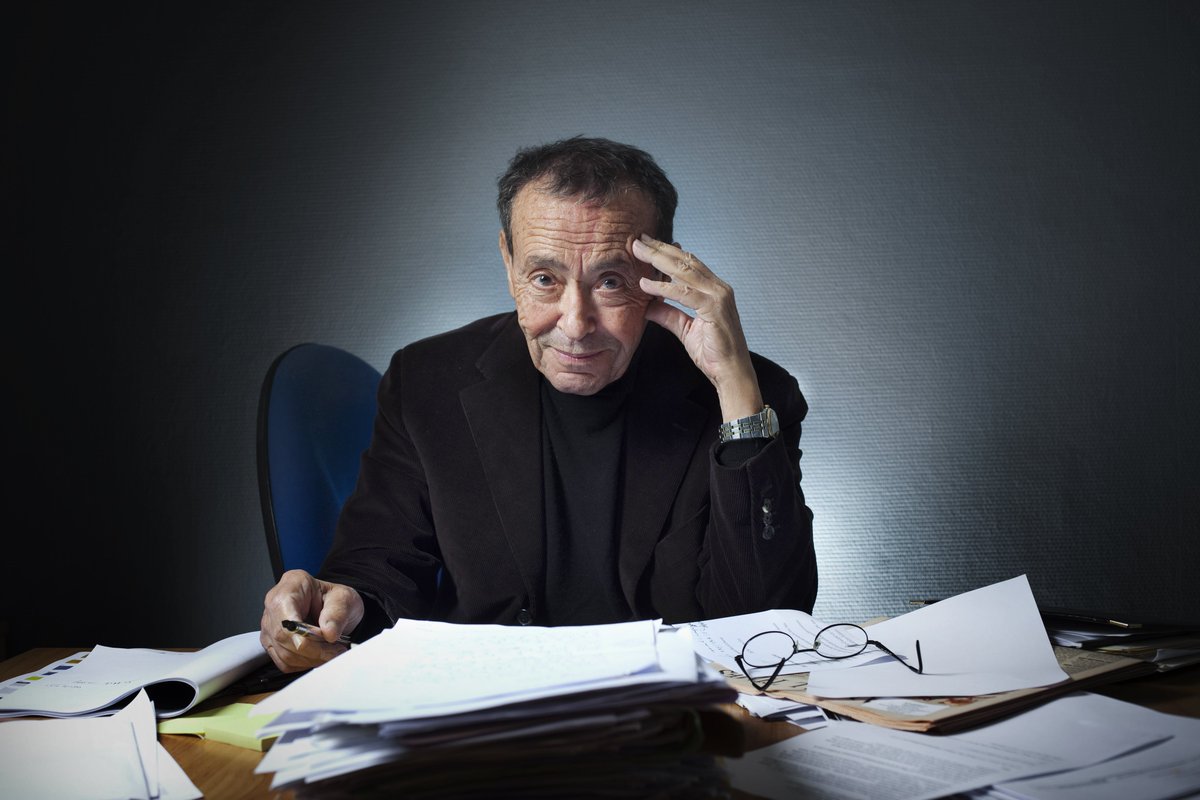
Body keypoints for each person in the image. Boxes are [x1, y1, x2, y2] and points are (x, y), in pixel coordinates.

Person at [260, 136, 817, 672]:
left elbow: (769, 621)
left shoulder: (747, 395)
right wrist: (344, 602)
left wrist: (735, 390)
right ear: (508, 262)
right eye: (545, 278)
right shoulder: (427, 382)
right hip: (486, 709)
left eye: (611, 281)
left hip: (676, 716)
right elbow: (379, 566)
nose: (575, 324)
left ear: (658, 273)